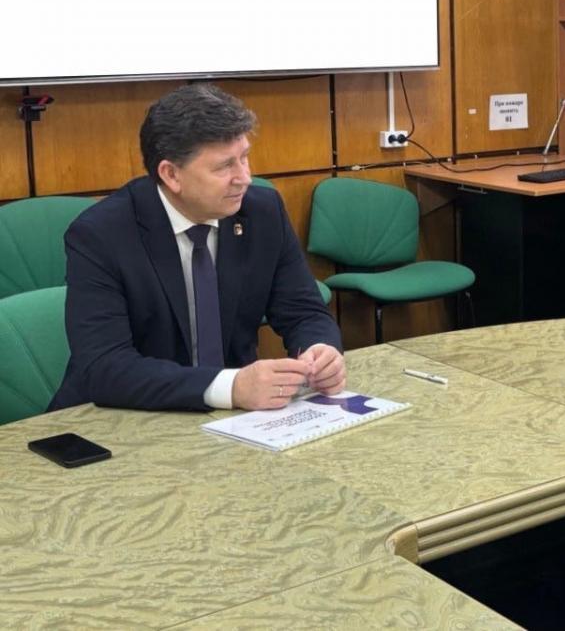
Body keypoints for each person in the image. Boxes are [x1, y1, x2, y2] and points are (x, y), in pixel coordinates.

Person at [49, 84, 346, 412]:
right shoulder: (101, 234)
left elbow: (303, 311)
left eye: (244, 158)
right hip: (119, 416)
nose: (244, 178)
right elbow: (105, 367)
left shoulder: (263, 213)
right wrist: (230, 387)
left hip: (234, 421)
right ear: (171, 174)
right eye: (224, 166)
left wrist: (320, 350)